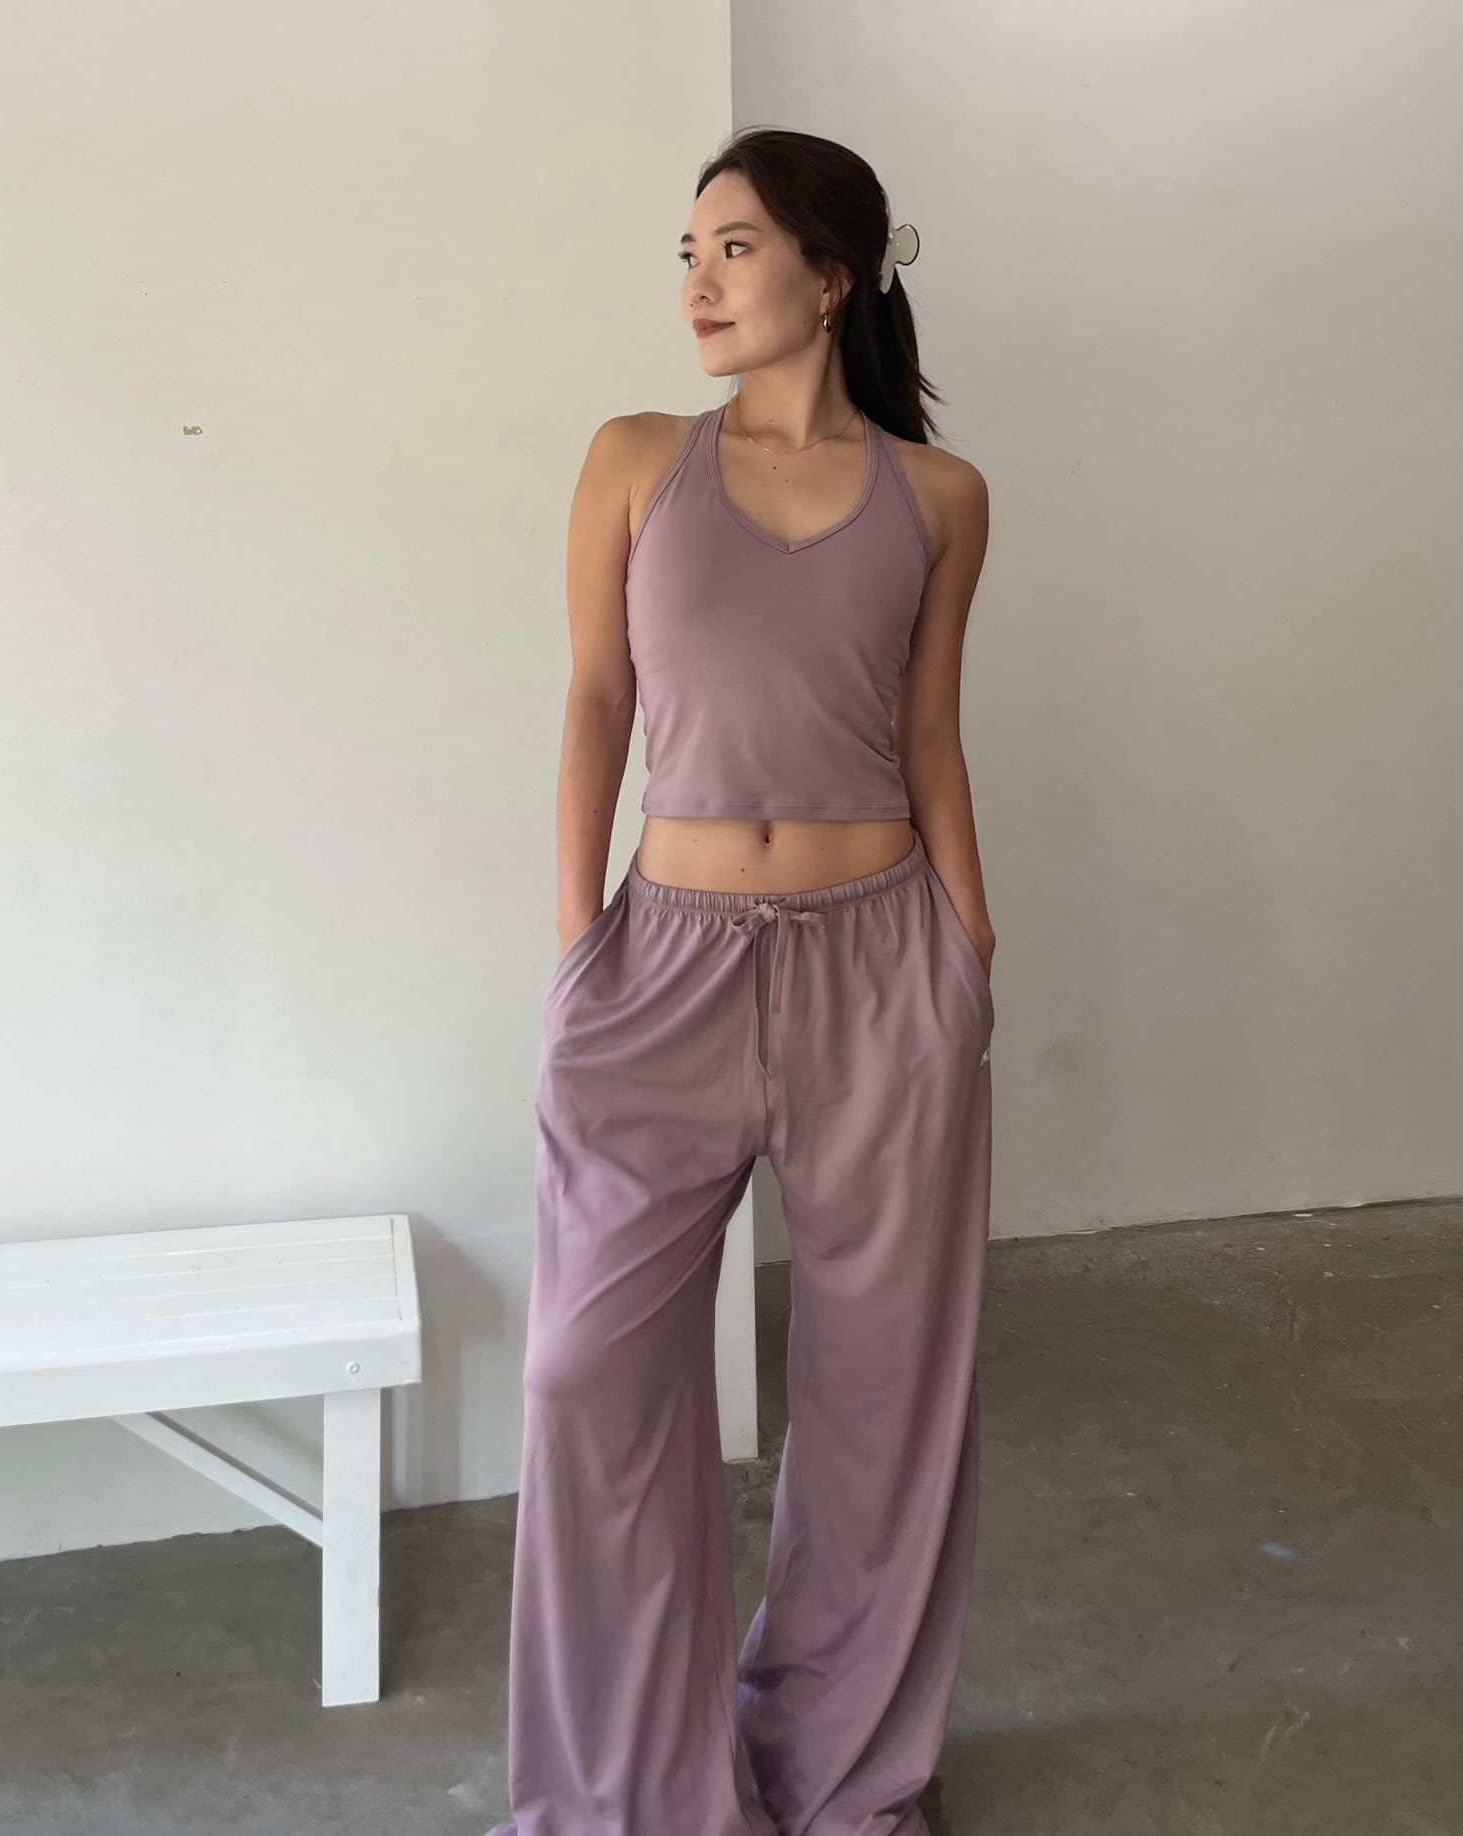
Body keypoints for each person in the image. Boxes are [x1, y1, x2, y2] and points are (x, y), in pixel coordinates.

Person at [486, 125, 995, 1836]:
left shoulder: (939, 498)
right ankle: (632, 1795)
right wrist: (581, 944)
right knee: (586, 1378)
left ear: (831, 278)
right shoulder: (638, 461)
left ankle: (841, 1775)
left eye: (737, 247)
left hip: (884, 971)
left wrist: (969, 946)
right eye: (689, 252)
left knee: (884, 1400)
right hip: (664, 973)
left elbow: (931, 733)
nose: (699, 282)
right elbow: (594, 702)